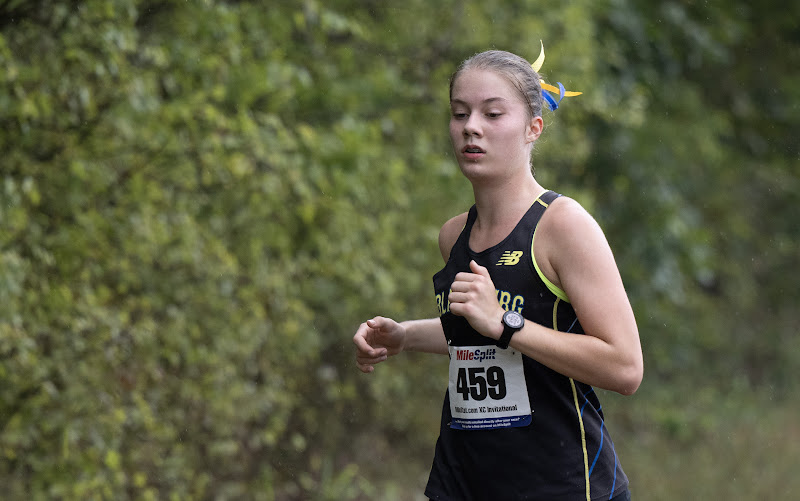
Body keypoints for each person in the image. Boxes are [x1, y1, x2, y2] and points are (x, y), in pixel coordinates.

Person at [353, 48, 643, 501]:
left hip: (562, 485)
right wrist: (405, 335)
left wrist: (508, 325)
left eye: (492, 113)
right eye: (459, 113)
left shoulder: (562, 226)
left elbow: (625, 367)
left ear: (533, 128)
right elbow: (474, 334)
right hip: (463, 482)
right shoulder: (454, 236)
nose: (471, 126)